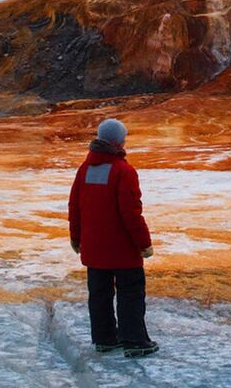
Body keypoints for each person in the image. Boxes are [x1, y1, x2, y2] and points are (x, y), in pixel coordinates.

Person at [68, 118, 157, 358]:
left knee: (99, 294)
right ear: (117, 142)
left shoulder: (85, 169)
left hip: (95, 249)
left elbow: (74, 207)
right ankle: (135, 341)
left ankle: (105, 339)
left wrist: (76, 238)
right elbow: (131, 213)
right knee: (130, 293)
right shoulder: (123, 171)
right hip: (122, 250)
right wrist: (144, 243)